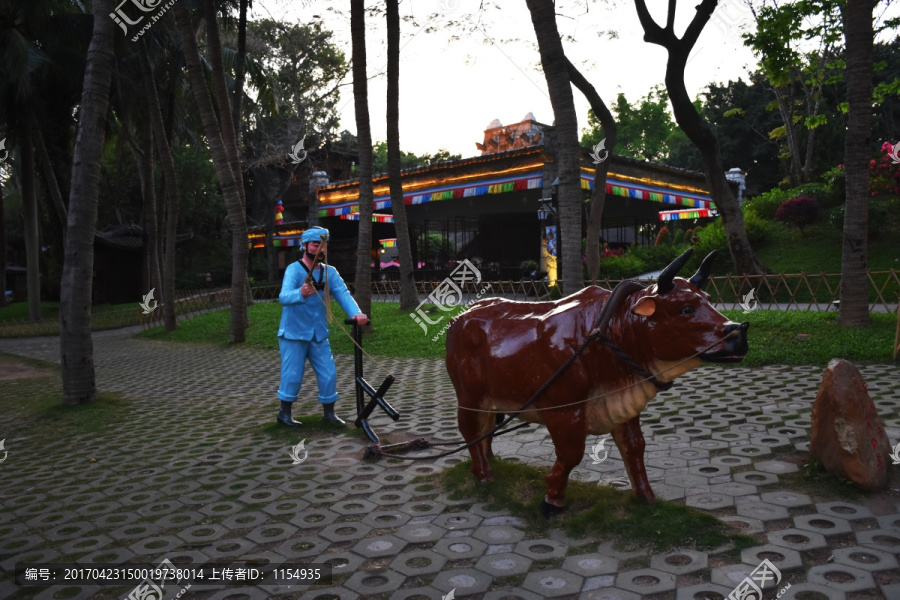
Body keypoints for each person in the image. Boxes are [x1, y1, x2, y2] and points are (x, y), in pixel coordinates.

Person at [276, 226, 368, 427]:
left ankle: (329, 412)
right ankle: (284, 413)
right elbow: (283, 296)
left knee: (329, 372)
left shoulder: (330, 272)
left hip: (318, 333)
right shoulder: (294, 269)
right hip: (294, 334)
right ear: (304, 246)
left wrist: (356, 313)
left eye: (323, 245)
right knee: (292, 374)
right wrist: (299, 293)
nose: (321, 249)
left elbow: (343, 293)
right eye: (316, 245)